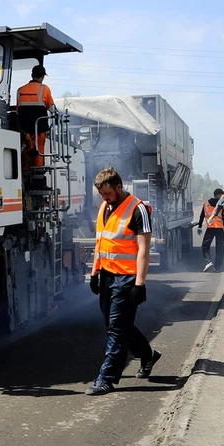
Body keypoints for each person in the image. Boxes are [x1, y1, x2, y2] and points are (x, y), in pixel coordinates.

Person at [86, 167, 161, 396]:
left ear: (119, 187)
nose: (105, 198)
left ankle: (106, 379)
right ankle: (148, 355)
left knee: (117, 330)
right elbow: (101, 243)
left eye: (108, 194)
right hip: (107, 275)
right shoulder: (104, 207)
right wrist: (95, 272)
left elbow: (143, 251)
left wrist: (139, 284)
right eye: (101, 195)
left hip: (127, 279)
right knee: (116, 325)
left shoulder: (138, 210)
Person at [15, 64, 54, 171]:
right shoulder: (44, 89)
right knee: (39, 149)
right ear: (42, 76)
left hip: (24, 129)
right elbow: (51, 108)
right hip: (39, 128)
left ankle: (24, 170)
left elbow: (18, 110)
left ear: (32, 75)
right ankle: (38, 173)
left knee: (27, 148)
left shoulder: (20, 90)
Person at [197, 188, 224, 272]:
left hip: (210, 228)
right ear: (218, 195)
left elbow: (202, 216)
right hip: (220, 228)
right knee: (220, 249)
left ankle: (208, 261)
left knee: (205, 246)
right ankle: (217, 268)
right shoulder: (223, 204)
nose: (223, 196)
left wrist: (199, 227)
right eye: (222, 194)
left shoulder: (206, 203)